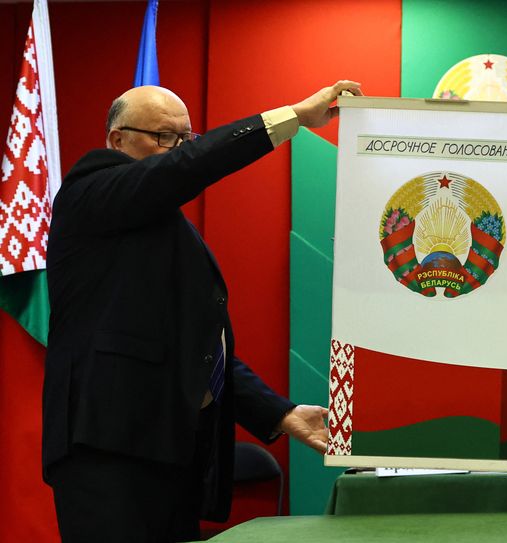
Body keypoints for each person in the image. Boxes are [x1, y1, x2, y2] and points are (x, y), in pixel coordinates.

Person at [43, 80, 362, 542]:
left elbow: (197, 351)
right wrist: (291, 116)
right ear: (117, 139)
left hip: (169, 448)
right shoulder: (89, 189)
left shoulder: (161, 226)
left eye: (184, 138)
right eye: (162, 137)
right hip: (107, 447)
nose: (176, 149)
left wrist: (280, 412)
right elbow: (186, 169)